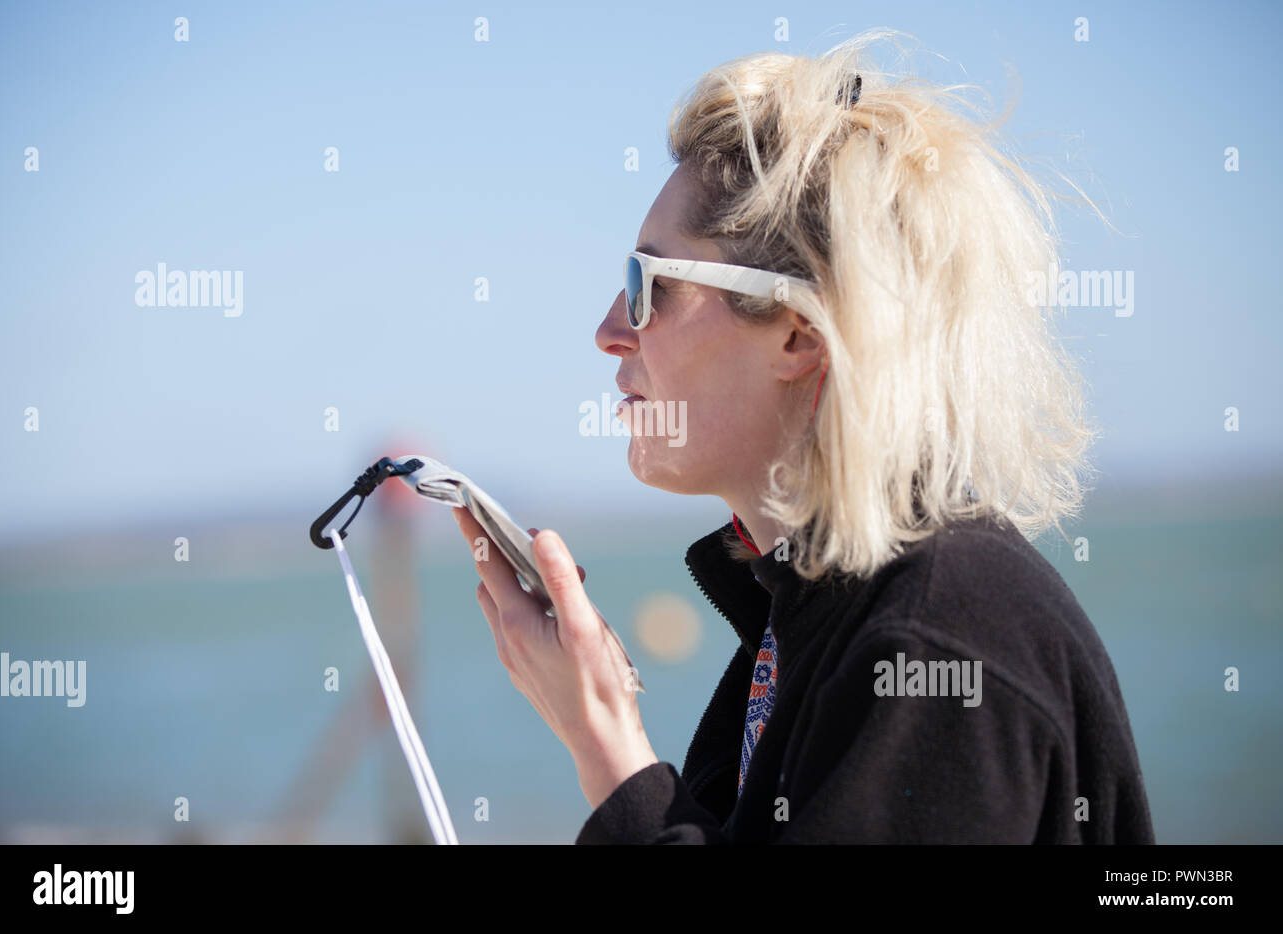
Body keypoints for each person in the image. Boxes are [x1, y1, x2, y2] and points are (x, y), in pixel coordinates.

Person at [452, 30, 1155, 844]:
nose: (610, 330)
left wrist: (609, 751)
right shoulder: (815, 613)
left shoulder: (939, 639)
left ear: (800, 333)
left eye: (649, 284)